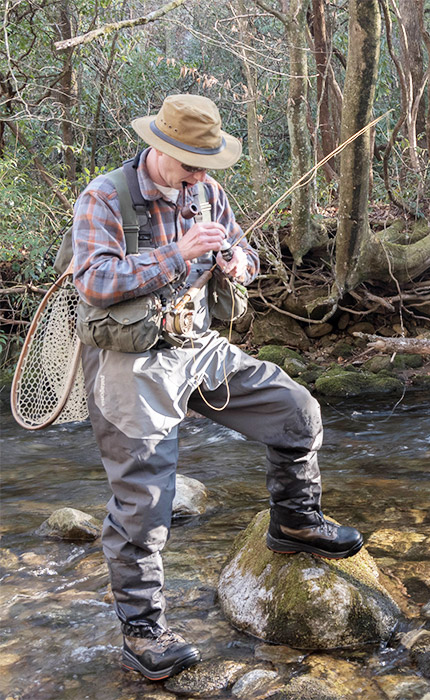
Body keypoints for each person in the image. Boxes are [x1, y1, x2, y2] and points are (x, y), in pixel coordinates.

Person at [71, 94, 363, 681]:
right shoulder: (104, 196)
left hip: (199, 348)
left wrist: (236, 263)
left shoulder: (207, 191)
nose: (200, 176)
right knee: (146, 501)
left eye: (207, 164)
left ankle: (294, 521)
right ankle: (143, 632)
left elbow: (248, 255)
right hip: (134, 362)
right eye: (189, 164)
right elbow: (95, 281)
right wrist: (176, 254)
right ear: (157, 148)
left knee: (297, 411)